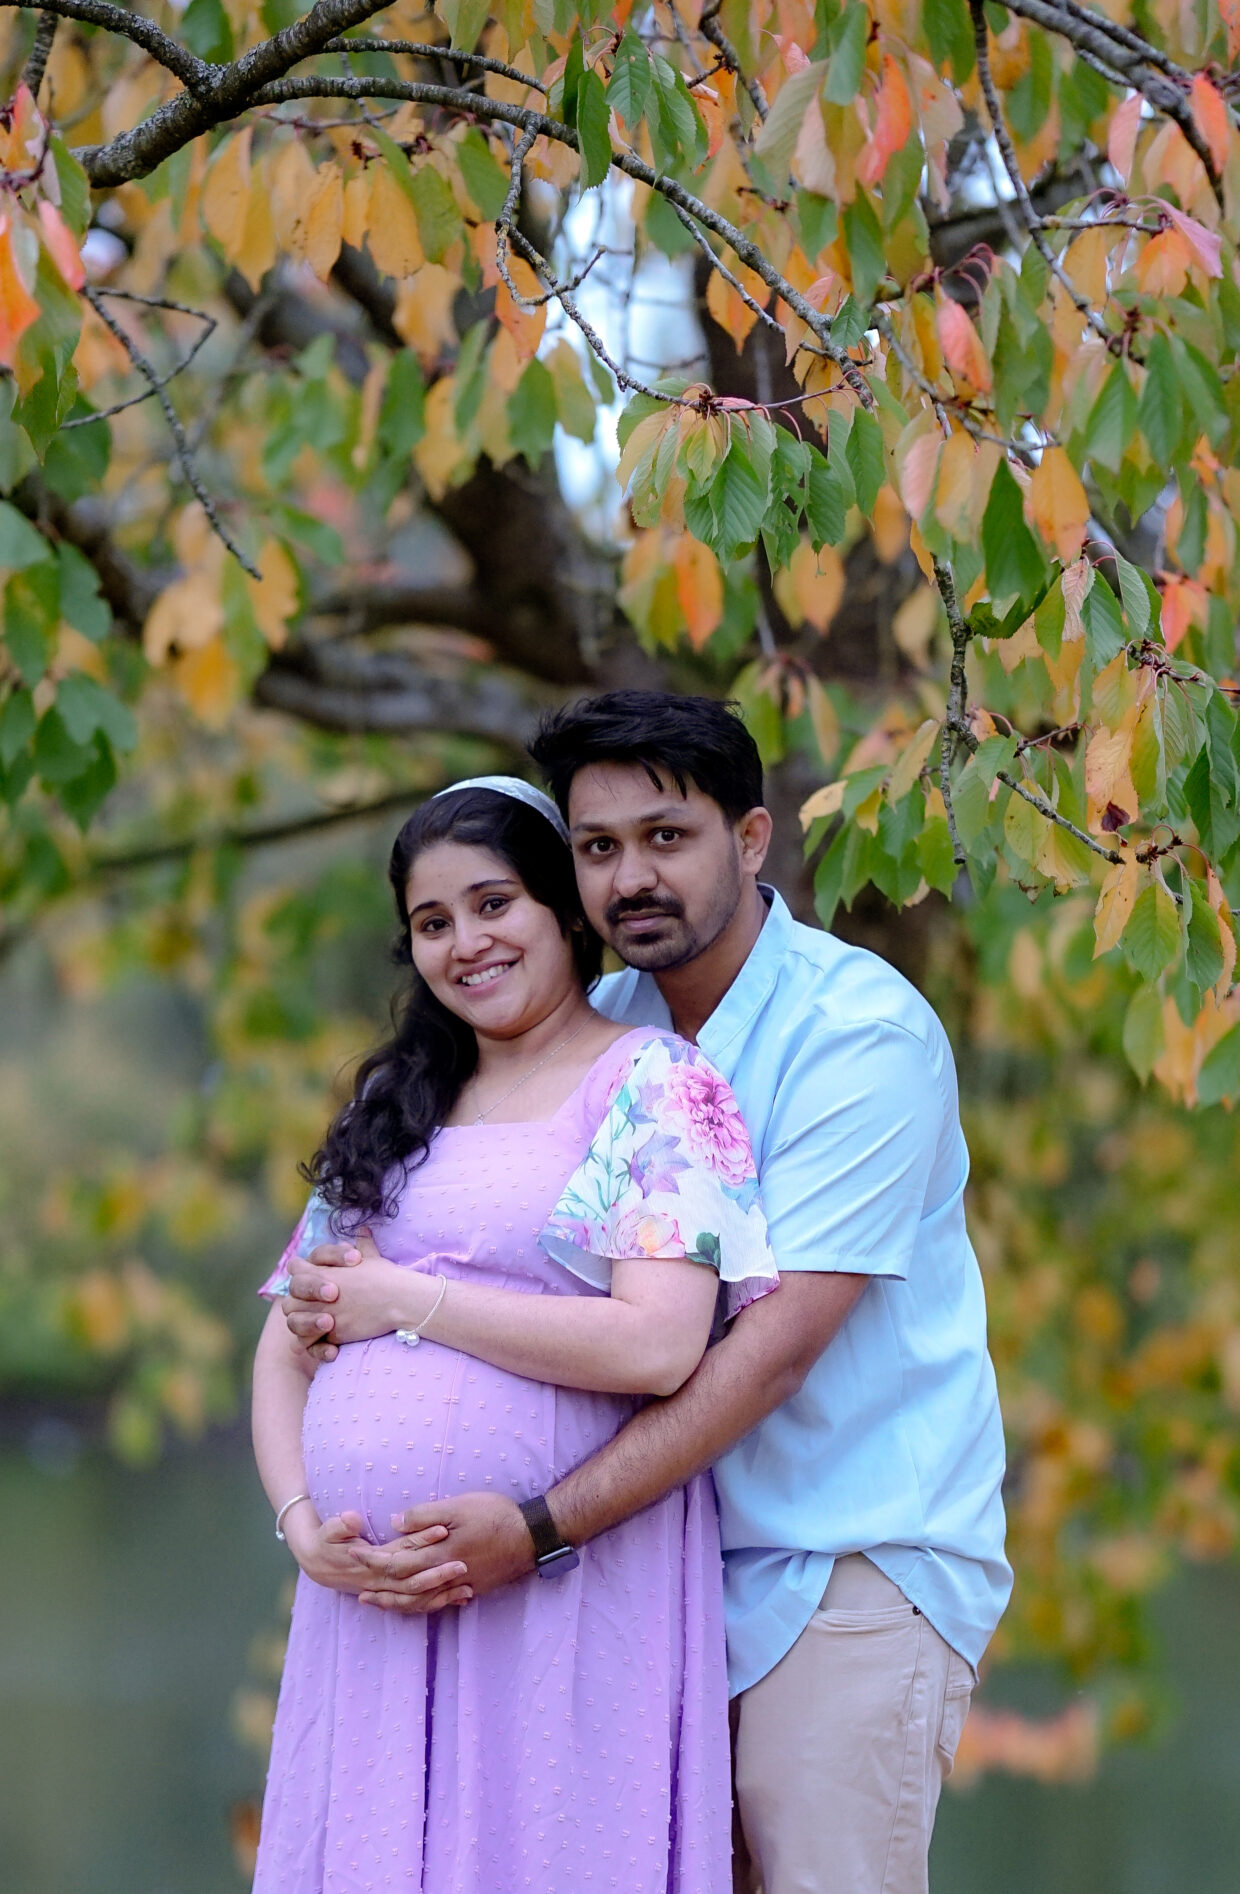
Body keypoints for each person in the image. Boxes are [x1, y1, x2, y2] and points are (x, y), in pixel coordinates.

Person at [287, 695, 1013, 1894]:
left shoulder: (860, 1036)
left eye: (666, 837)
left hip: (838, 1560)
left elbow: (764, 1356)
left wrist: (538, 1526)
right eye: (597, 846)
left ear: (749, 837)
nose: (631, 877)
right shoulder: (593, 1025)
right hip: (647, 1574)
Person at [250, 775, 778, 1894]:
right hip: (371, 1603)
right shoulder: (396, 1104)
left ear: (562, 909)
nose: (465, 943)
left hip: (564, 1587)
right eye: (432, 923)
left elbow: (657, 1346)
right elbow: (287, 1342)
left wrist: (410, 1302)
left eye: (494, 905)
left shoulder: (652, 1084)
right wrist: (301, 1523)